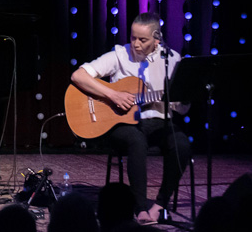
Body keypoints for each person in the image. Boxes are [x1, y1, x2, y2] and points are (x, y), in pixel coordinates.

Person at [69, 12, 191, 224]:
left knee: (181, 144)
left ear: (156, 39)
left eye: (142, 40)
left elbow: (182, 109)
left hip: (160, 122)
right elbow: (78, 76)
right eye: (133, 37)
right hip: (124, 123)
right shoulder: (119, 55)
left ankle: (160, 205)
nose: (135, 44)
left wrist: (185, 99)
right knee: (136, 141)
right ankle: (140, 207)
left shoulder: (173, 60)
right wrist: (113, 94)